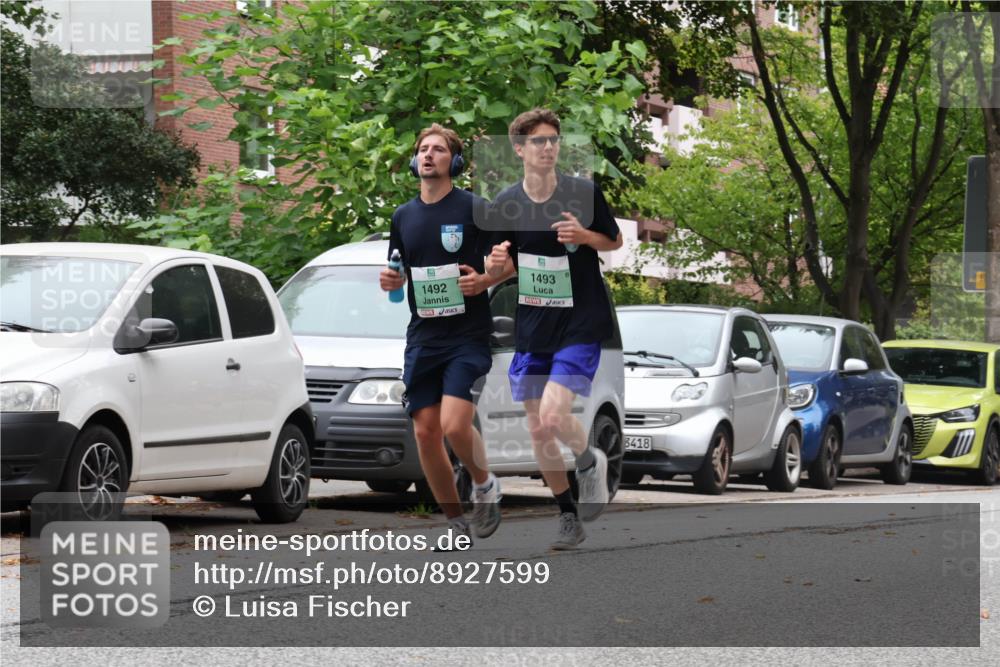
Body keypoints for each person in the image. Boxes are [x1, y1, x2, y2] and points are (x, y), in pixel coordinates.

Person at [484, 108, 623, 550]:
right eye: (538, 142)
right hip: (534, 324)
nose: (548, 148)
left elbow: (614, 240)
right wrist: (493, 269)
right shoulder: (507, 203)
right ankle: (568, 515)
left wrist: (585, 236)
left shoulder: (582, 192)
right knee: (540, 431)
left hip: (580, 321)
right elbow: (504, 267)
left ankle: (588, 461)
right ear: (520, 149)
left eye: (553, 140)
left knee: (552, 415)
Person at [379, 123, 511, 546]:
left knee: (456, 426)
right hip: (423, 337)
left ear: (453, 161)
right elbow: (398, 274)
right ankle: (455, 524)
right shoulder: (403, 216)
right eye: (422, 149)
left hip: (467, 335)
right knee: (425, 433)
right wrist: (392, 282)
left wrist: (484, 282)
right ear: (415, 160)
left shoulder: (475, 208)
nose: (428, 155)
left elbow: (512, 263)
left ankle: (485, 485)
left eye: (437, 149)